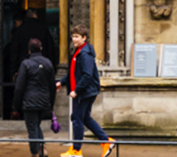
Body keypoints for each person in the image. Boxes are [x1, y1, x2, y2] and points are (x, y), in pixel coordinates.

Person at [56, 25, 113, 156]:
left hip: (84, 92)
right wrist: (61, 82)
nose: (74, 39)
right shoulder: (79, 52)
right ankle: (106, 141)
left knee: (77, 118)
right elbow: (73, 73)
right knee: (85, 118)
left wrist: (76, 91)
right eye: (73, 36)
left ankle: (76, 150)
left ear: (84, 38)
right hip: (85, 91)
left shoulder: (85, 54)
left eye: (77, 37)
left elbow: (87, 75)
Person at [12, 37, 56, 157]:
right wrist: (51, 103)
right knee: (36, 125)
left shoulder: (26, 64)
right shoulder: (48, 63)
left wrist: (16, 105)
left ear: (29, 50)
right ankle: (42, 148)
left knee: (32, 128)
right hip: (44, 101)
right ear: (41, 49)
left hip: (30, 101)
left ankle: (35, 153)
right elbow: (52, 85)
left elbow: (19, 87)